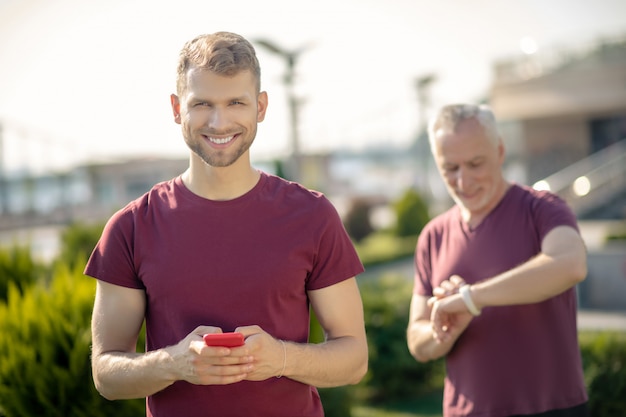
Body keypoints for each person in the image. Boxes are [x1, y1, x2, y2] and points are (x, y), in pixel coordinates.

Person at [85, 31, 368, 417]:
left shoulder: (313, 215)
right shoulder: (130, 228)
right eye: (202, 103)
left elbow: (354, 359)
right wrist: (174, 363)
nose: (219, 122)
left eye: (236, 102)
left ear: (261, 107)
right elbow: (106, 375)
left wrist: (281, 358)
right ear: (175, 108)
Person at [406, 103, 589, 417]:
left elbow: (570, 264)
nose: (463, 181)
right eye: (450, 168)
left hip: (553, 409)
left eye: (476, 163)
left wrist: (469, 299)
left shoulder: (543, 209)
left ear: (500, 152)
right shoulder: (432, 236)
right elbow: (417, 340)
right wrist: (445, 329)